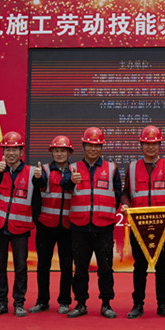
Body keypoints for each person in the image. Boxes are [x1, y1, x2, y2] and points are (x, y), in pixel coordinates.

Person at [60, 127, 122, 319]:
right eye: (89, 145)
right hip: (80, 227)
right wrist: (71, 181)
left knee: (106, 268)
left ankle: (106, 304)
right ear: (83, 146)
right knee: (80, 269)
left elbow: (117, 195)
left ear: (101, 147)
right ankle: (80, 303)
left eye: (97, 146)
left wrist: (104, 212)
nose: (93, 149)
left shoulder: (111, 169)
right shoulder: (73, 168)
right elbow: (63, 185)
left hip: (104, 227)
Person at [120, 125, 165, 319]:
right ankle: (137, 304)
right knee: (139, 266)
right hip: (139, 226)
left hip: (162, 225)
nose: (151, 147)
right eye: (147, 143)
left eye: (154, 143)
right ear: (141, 145)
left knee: (162, 266)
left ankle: (163, 304)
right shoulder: (132, 167)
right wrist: (125, 205)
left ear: (160, 145)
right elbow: (125, 193)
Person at [0, 131, 38, 317]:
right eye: (7, 149)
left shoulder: (32, 172)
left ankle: (19, 303)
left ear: (21, 151)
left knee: (21, 267)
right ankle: (1, 303)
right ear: (3, 152)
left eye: (15, 149)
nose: (11, 153)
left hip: (20, 227)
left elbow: (38, 197)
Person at [29, 135, 74, 315]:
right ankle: (42, 301)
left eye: (63, 151)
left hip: (68, 226)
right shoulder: (44, 170)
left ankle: (64, 301)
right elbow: (38, 185)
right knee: (43, 265)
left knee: (66, 265)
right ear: (52, 152)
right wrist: (37, 219)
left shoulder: (75, 171)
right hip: (46, 225)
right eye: (56, 150)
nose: (59, 154)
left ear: (69, 152)